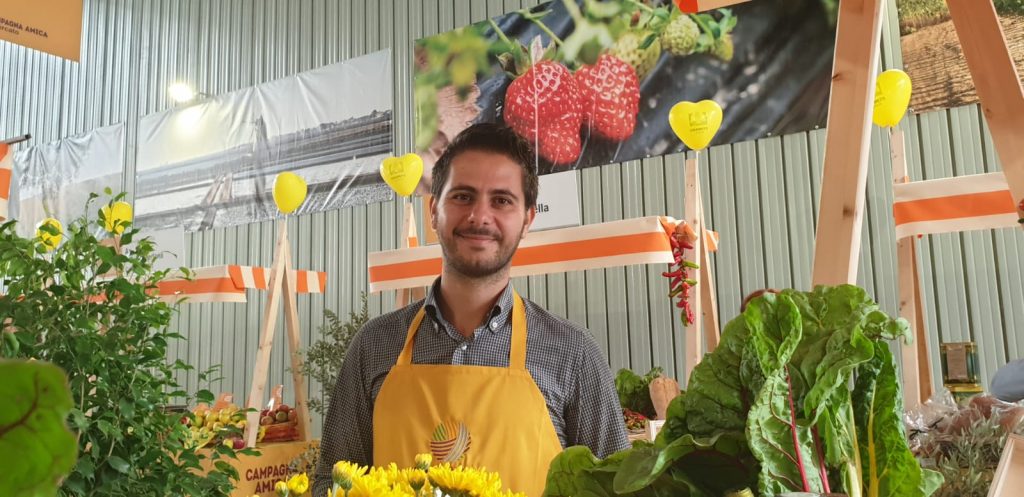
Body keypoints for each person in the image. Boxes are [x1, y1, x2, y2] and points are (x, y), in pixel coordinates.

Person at [312, 123, 629, 497]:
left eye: (502, 200)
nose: (480, 216)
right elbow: (331, 483)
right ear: (434, 211)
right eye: (463, 196)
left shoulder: (573, 354)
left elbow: (617, 489)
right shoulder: (374, 346)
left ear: (527, 220)